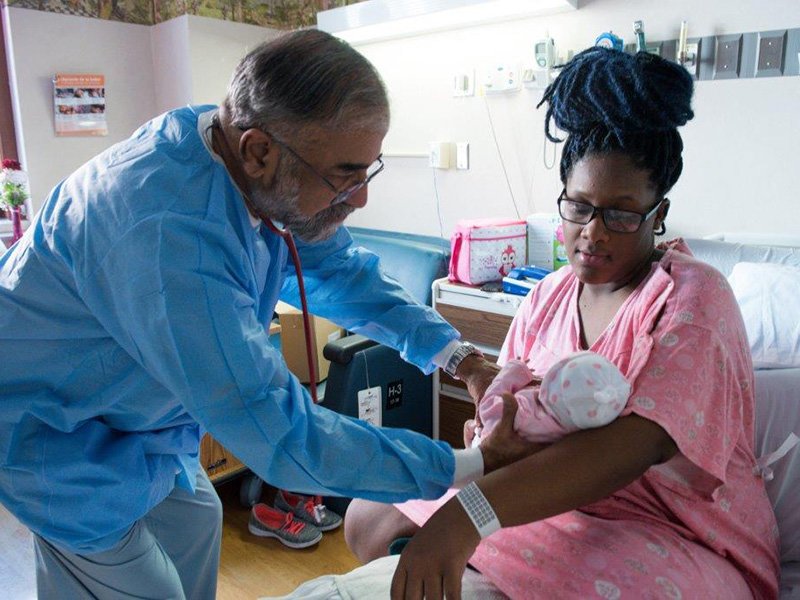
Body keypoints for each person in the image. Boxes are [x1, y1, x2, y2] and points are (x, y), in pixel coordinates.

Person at [0, 30, 534, 599]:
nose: (360, 199)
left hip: (140, 426)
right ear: (259, 151)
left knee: (195, 521)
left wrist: (462, 358)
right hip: (57, 436)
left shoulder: (232, 149)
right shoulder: (170, 240)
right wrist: (466, 465)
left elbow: (343, 273)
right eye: (344, 175)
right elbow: (281, 435)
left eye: (366, 172)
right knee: (142, 587)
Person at [283, 47, 781, 599]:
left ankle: (479, 568)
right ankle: (469, 572)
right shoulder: (547, 295)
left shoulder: (692, 297)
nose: (593, 232)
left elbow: (635, 446)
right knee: (368, 516)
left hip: (660, 525)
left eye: (620, 213)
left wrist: (465, 519)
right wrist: (490, 431)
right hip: (540, 495)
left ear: (658, 214)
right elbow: (507, 405)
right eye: (578, 206)